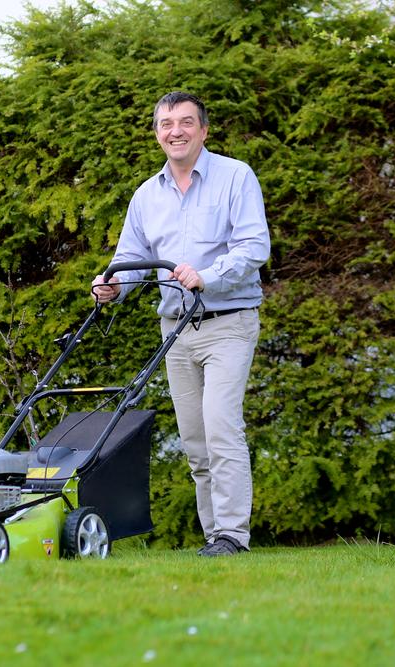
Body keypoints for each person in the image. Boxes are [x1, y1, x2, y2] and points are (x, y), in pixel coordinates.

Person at [91, 91, 270, 556]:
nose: (176, 131)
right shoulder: (146, 196)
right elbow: (130, 259)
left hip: (228, 321)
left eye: (186, 122)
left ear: (203, 130)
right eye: (167, 123)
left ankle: (233, 534)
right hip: (175, 330)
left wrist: (206, 276)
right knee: (194, 439)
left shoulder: (235, 176)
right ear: (156, 133)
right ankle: (215, 537)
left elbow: (254, 247)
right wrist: (111, 284)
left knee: (221, 426)